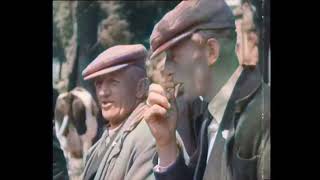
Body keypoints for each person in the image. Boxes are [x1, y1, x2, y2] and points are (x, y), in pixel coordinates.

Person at [144, 0, 270, 180]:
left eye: (174, 55)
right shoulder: (211, 117)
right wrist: (166, 145)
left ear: (211, 51)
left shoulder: (263, 116)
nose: (167, 68)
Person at [81, 44, 156, 180]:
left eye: (113, 82)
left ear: (141, 87)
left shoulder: (151, 136)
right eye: (99, 83)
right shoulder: (104, 140)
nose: (103, 92)